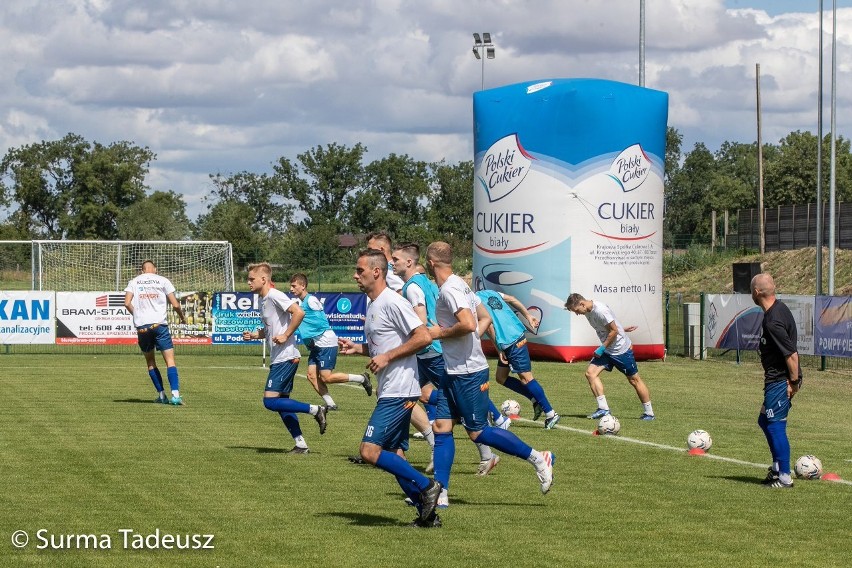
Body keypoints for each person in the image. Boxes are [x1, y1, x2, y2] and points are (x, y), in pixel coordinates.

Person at [427, 241, 555, 509]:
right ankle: (440, 492)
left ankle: (538, 457)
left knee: (479, 433)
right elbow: (482, 318)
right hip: (453, 370)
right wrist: (468, 337)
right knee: (441, 428)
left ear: (430, 263)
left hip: (468, 372)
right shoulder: (459, 285)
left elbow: (470, 322)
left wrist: (441, 333)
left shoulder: (451, 289)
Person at [338, 249, 443, 528]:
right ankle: (428, 515)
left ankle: (427, 485)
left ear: (376, 272)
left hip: (400, 390)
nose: (355, 275)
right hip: (390, 388)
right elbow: (382, 348)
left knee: (369, 452)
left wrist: (387, 357)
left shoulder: (393, 302)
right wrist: (360, 349)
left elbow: (423, 337)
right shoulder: (373, 304)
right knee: (394, 454)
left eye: (360, 270)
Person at [392, 243, 501, 479]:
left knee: (406, 395)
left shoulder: (415, 287)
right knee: (413, 395)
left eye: (395, 259)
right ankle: (437, 472)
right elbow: (479, 319)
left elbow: (422, 321)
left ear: (414, 262)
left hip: (432, 351)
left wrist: (418, 339)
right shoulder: (432, 283)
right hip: (432, 351)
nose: (392, 262)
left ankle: (494, 433)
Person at [242, 263, 328, 454]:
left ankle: (316, 409)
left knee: (270, 401)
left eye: (251, 279)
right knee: (282, 405)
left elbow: (299, 312)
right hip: (279, 357)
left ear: (263, 279)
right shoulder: (263, 300)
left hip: (286, 357)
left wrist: (286, 335)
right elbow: (271, 329)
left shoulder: (274, 295)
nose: (248, 282)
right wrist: (255, 335)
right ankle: (301, 444)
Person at [367, 232, 435, 467]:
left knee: (424, 395)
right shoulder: (387, 289)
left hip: (424, 351)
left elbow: (421, 329)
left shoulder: (397, 285)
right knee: (419, 396)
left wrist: (389, 354)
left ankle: (437, 440)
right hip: (408, 356)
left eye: (373, 250)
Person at [476, 289, 561, 429]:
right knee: (501, 377)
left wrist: (499, 350)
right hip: (515, 334)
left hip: (509, 341)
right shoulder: (490, 292)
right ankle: (535, 400)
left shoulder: (473, 302)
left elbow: (489, 327)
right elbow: (512, 298)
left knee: (526, 378)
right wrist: (528, 315)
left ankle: (551, 413)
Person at [564, 293, 655, 420]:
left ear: (582, 304)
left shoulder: (600, 310)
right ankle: (603, 409)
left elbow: (613, 330)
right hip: (607, 349)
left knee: (634, 380)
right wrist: (621, 329)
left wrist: (602, 348)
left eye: (576, 310)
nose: (577, 314)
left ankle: (649, 413)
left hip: (620, 350)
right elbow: (609, 327)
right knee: (590, 373)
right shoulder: (588, 311)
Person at [289, 273, 373, 409]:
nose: (291, 289)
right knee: (311, 375)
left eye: (294, 286)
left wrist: (302, 328)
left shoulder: (311, 301)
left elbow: (320, 321)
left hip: (325, 343)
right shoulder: (302, 303)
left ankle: (362, 378)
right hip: (317, 344)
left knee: (326, 378)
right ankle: (331, 404)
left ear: (303, 286)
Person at [751, 272, 802, 489]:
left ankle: (784, 477)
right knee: (764, 421)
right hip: (776, 380)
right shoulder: (777, 310)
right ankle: (776, 468)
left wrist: (794, 382)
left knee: (775, 426)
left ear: (756, 292)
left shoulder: (773, 320)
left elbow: (791, 354)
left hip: (781, 381)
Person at [124, 259, 188, 405]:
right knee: (170, 360)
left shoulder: (134, 281)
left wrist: (137, 315)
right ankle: (176, 395)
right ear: (155, 269)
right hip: (159, 325)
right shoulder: (163, 280)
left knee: (150, 361)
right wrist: (182, 317)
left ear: (142, 270)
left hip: (142, 327)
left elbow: (126, 303)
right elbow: (175, 304)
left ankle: (161, 395)